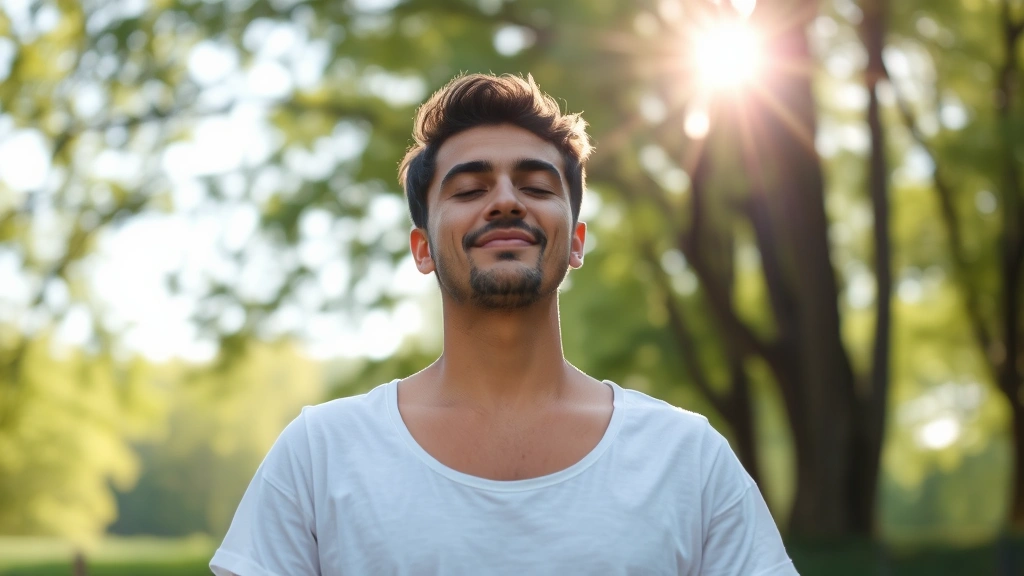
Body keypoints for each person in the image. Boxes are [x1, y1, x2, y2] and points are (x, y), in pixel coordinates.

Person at [210, 73, 799, 576]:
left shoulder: (687, 458)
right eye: (469, 188)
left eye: (537, 186)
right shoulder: (320, 455)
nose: (506, 201)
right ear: (421, 249)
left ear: (576, 242)